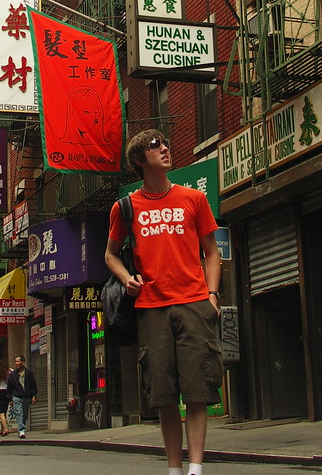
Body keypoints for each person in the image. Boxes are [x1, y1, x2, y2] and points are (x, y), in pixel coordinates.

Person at [105, 130, 222, 475]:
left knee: (197, 389)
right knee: (164, 394)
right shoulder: (125, 207)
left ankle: (196, 468)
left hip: (194, 301)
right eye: (155, 146)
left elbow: (212, 252)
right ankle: (173, 468)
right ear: (140, 161)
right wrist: (127, 279)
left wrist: (212, 294)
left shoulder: (193, 198)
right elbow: (110, 255)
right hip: (151, 307)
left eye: (165, 143)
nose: (165, 149)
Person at [6, 355, 37, 439]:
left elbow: (33, 385)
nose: (16, 363)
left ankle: (21, 426)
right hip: (16, 396)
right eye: (15, 361)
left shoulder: (29, 373)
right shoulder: (12, 375)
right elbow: (9, 387)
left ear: (23, 362)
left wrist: (33, 395)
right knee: (19, 413)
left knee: (25, 414)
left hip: (27, 396)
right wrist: (10, 399)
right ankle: (22, 430)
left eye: (18, 361)